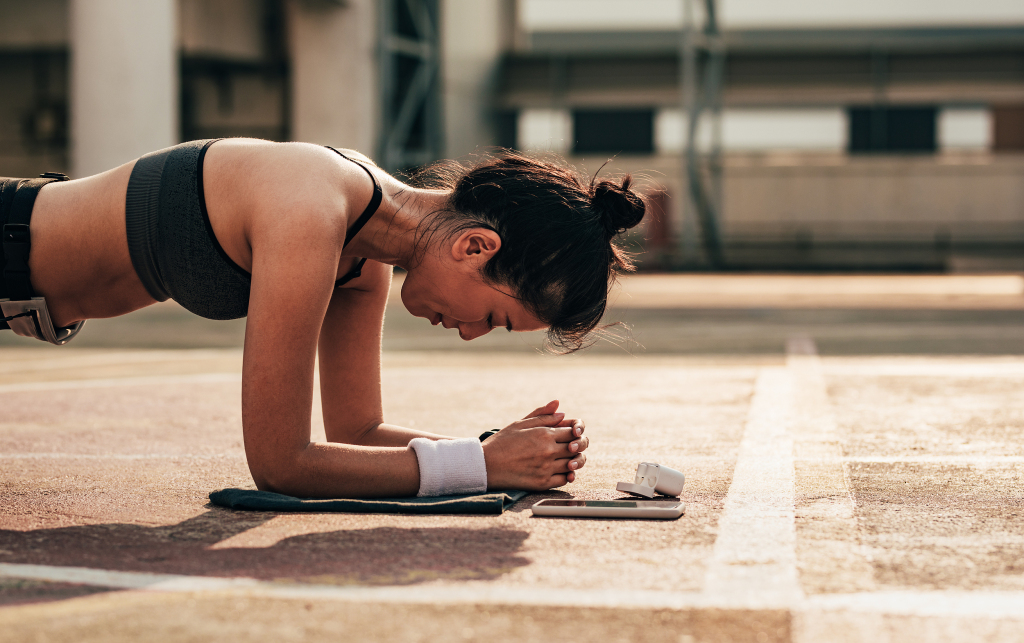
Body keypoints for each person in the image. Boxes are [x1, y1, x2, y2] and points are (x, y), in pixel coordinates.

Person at [0, 139, 646, 498]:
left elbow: (357, 431)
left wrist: (490, 450)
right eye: (495, 319)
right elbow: (280, 463)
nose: (472, 333)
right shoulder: (313, 206)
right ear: (475, 246)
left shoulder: (362, 257)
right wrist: (481, 467)